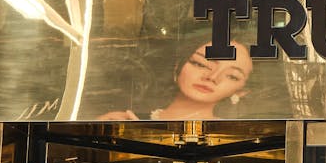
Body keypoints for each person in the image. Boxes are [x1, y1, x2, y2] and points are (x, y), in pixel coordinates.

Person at [100, 39, 253, 121]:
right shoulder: (127, 120)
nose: (212, 78)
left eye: (232, 76)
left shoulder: (233, 137)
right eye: (200, 64)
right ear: (177, 68)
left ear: (242, 91)